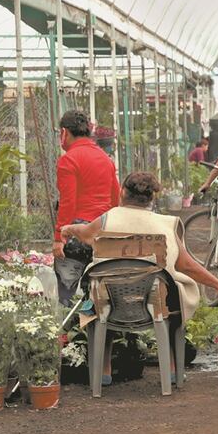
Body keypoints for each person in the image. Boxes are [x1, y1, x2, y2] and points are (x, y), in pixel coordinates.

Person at [61, 172, 218, 385]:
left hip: (111, 305)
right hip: (155, 306)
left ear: (122, 192)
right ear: (152, 198)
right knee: (172, 295)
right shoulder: (167, 225)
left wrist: (68, 229)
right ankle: (172, 370)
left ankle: (104, 371)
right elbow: (187, 266)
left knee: (101, 295)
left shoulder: (108, 219)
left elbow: (85, 233)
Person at [54, 110, 120, 305]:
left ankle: (69, 321)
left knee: (67, 295)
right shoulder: (105, 159)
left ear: (64, 132)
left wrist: (59, 238)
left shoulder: (69, 160)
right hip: (103, 232)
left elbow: (68, 202)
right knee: (99, 294)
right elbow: (115, 198)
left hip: (77, 234)